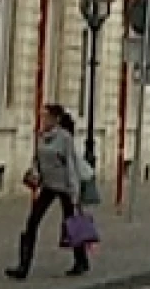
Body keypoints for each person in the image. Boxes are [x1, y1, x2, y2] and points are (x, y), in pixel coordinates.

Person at [6, 104, 90, 279]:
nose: (44, 120)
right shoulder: (41, 136)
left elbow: (71, 165)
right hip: (48, 186)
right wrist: (34, 173)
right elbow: (37, 159)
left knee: (72, 223)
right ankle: (24, 266)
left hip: (65, 187)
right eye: (43, 116)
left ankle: (81, 260)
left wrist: (75, 193)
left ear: (56, 119)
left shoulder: (65, 138)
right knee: (32, 222)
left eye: (47, 117)